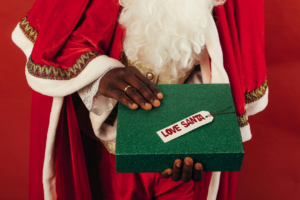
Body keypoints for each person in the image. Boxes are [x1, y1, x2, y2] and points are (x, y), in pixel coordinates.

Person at [12, 0, 268, 199]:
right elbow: (56, 37)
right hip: (110, 153)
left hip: (186, 158)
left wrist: (197, 138)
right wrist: (99, 74)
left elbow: (228, 56)